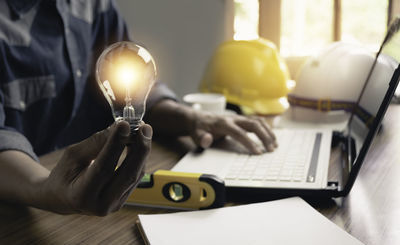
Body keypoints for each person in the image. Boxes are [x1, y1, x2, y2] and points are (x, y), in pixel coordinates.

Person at [0, 0, 276, 216]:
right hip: (20, 210)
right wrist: (45, 188)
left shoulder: (94, 4)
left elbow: (130, 78)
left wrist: (190, 118)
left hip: (95, 201)